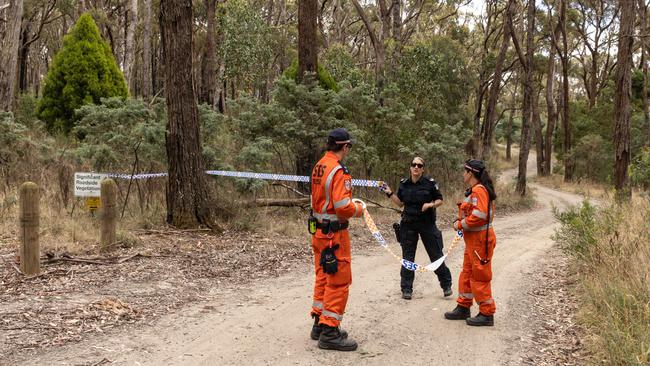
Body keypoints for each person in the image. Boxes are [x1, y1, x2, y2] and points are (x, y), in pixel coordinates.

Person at [308, 128, 364, 351]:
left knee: (323, 275)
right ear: (345, 146)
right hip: (334, 234)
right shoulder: (338, 171)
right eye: (349, 146)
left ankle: (319, 324)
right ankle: (330, 331)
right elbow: (343, 207)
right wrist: (359, 209)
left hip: (319, 232)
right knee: (338, 280)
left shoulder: (320, 165)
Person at [381, 157, 453, 300]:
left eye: (419, 165)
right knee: (408, 258)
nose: (416, 167)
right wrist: (389, 193)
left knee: (435, 255)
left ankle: (446, 285)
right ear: (410, 167)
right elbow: (400, 203)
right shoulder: (404, 184)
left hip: (427, 223)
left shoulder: (430, 184)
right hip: (408, 224)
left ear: (423, 169)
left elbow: (440, 200)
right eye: (413, 165)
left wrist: (430, 205)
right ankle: (406, 289)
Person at [444, 159, 497, 326]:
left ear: (471, 173)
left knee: (480, 276)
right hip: (473, 241)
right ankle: (463, 306)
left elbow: (480, 216)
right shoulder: (473, 190)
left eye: (464, 171)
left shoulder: (479, 191)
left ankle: (487, 314)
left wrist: (460, 224)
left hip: (481, 241)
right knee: (467, 273)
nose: (462, 174)